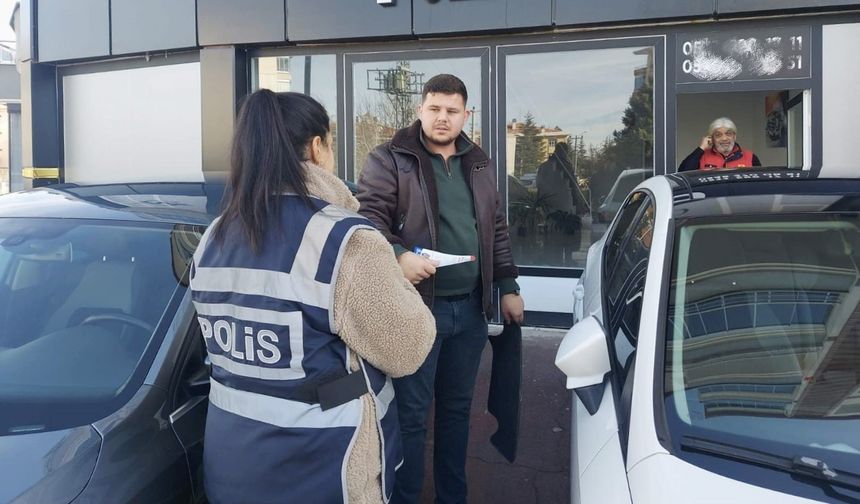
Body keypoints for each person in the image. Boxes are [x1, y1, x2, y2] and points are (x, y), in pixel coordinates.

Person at [190, 90, 436, 504]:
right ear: (317, 148)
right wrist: (398, 279)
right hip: (325, 468)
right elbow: (407, 349)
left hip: (232, 467)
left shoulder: (213, 237)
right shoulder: (344, 240)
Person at [357, 74, 525, 504]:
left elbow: (496, 228)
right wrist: (398, 256)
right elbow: (368, 219)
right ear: (420, 109)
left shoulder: (480, 162)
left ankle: (453, 497)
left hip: (469, 311)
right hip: (417, 310)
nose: (442, 118)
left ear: (466, 114)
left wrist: (507, 285)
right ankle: (406, 497)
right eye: (434, 108)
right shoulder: (392, 158)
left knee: (455, 412)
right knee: (412, 416)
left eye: (452, 110)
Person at [678, 117, 762, 171]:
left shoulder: (750, 157)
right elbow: (683, 174)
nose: (724, 138)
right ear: (712, 138)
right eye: (718, 135)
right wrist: (701, 148)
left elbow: (760, 182)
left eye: (728, 134)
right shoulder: (701, 156)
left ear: (734, 136)